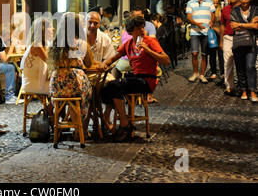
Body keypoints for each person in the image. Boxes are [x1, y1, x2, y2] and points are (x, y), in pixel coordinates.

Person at [100, 16, 170, 142]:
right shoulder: (128, 44)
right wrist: (104, 64)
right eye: (139, 28)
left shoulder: (150, 41)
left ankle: (124, 124)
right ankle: (113, 119)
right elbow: (113, 58)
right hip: (135, 78)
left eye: (143, 27)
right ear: (131, 31)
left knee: (115, 86)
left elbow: (167, 61)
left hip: (146, 81)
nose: (142, 30)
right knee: (105, 88)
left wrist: (148, 50)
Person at [49, 12, 93, 140]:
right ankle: (80, 131)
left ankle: (66, 127)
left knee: (69, 99)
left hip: (57, 86)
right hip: (76, 84)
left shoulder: (55, 44)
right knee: (88, 96)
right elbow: (89, 64)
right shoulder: (82, 44)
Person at [230, 0, 258, 102]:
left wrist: (240, 25)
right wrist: (249, 24)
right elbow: (233, 25)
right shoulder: (234, 11)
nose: (244, 1)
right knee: (240, 67)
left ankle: (252, 90)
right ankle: (243, 90)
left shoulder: (256, 10)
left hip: (252, 43)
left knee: (250, 66)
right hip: (238, 43)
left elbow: (256, 26)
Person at [185, 0, 215, 83]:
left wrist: (212, 21)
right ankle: (195, 73)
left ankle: (202, 75)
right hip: (195, 31)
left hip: (206, 32)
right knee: (194, 53)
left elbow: (213, 15)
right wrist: (198, 24)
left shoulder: (209, 2)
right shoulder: (190, 3)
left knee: (204, 54)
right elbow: (188, 17)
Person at [20, 17, 54, 95]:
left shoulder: (45, 44)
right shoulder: (37, 45)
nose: (53, 29)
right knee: (63, 87)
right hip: (32, 83)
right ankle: (50, 107)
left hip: (39, 81)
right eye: (50, 27)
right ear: (42, 30)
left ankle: (51, 107)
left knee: (65, 85)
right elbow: (51, 63)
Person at [220, 0, 241, 95]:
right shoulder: (225, 9)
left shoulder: (243, 8)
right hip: (228, 37)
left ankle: (243, 86)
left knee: (241, 63)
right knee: (228, 62)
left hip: (240, 37)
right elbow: (222, 25)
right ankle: (229, 86)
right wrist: (221, 40)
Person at [208, 0, 224, 80]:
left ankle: (222, 72)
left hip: (219, 35)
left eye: (217, 3)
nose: (215, 5)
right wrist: (215, 29)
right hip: (212, 35)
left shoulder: (220, 11)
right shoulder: (208, 12)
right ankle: (213, 72)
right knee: (212, 54)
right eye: (214, 3)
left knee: (221, 54)